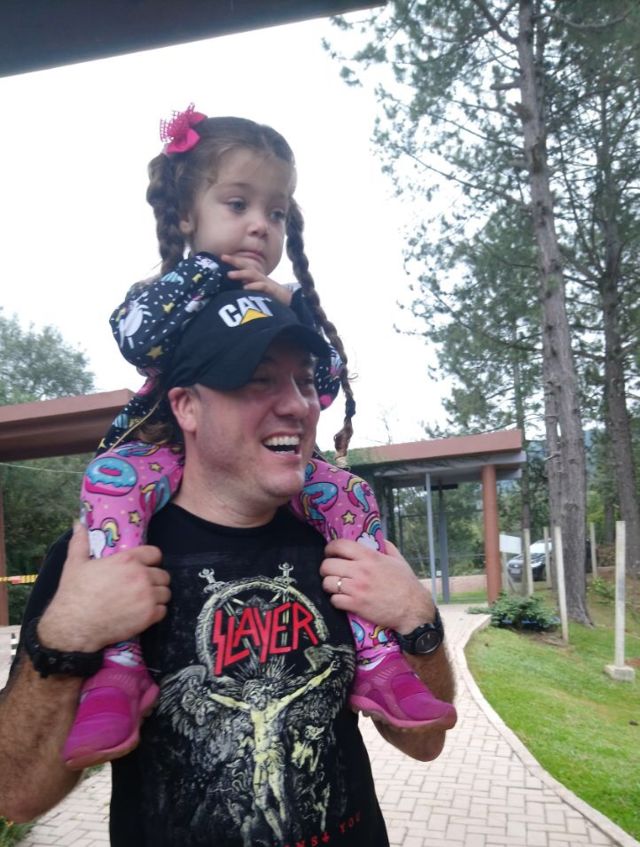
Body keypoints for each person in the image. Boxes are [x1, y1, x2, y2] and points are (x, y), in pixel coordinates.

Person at [63, 107, 456, 768]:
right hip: (158, 450)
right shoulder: (169, 292)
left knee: (349, 491)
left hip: (281, 483)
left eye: (276, 212)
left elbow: (323, 385)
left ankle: (377, 654)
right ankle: (118, 664)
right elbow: (136, 338)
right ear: (185, 214)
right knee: (109, 482)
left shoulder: (283, 297)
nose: (259, 225)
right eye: (237, 203)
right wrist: (206, 273)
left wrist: (287, 303)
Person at [0, 290, 455, 846]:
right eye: (258, 380)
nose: (298, 405)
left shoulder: (345, 544)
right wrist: (65, 638)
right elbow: (17, 796)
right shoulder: (100, 557)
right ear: (186, 407)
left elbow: (425, 744)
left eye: (305, 382)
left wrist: (419, 623)